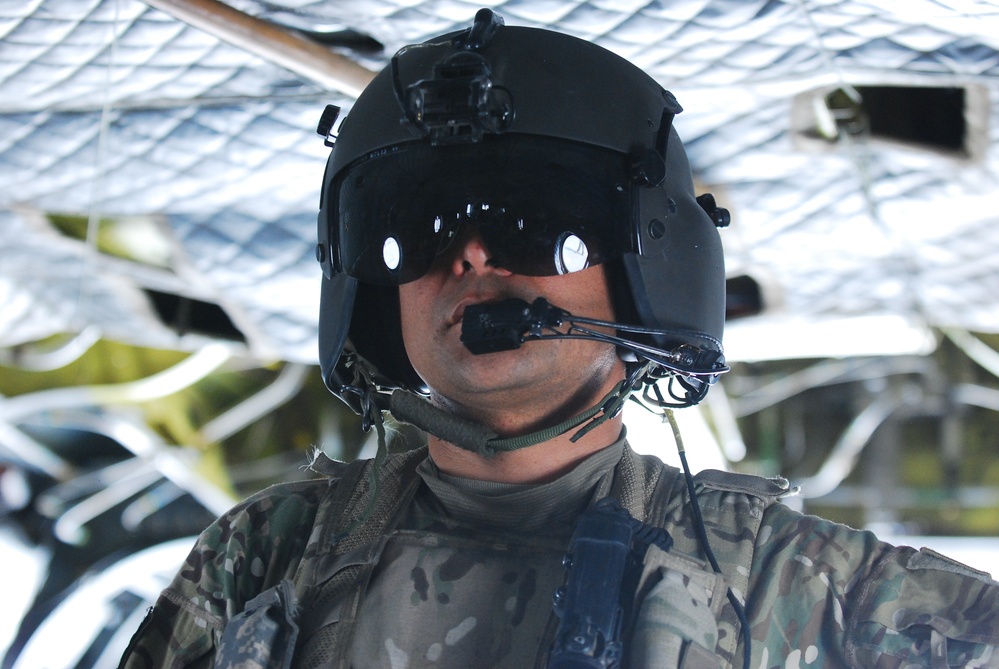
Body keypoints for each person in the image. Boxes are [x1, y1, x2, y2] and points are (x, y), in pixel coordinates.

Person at [119, 8, 999, 669]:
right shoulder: (265, 553)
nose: (466, 254)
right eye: (409, 231)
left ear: (648, 264)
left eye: (532, 224)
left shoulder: (789, 585)